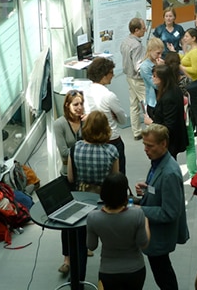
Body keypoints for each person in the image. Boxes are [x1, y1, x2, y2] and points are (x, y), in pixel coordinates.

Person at [67, 110, 120, 284]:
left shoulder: (75, 149)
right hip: (103, 202)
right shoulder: (112, 150)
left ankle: (78, 280)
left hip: (81, 202)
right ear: (105, 129)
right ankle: (106, 282)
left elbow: (70, 178)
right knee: (109, 245)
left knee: (79, 244)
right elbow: (115, 179)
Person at [136, 124, 190, 290]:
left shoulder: (169, 173)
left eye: (150, 146)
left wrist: (140, 210)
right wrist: (147, 190)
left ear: (164, 144)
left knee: (164, 276)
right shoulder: (158, 163)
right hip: (156, 233)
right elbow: (160, 192)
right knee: (163, 272)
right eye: (144, 144)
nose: (145, 149)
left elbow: (170, 212)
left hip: (159, 236)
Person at [86, 172, 150, 290]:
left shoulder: (93, 217)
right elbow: (144, 244)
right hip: (135, 270)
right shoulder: (137, 214)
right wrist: (145, 219)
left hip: (108, 271)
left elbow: (91, 245)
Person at [53, 89, 84, 274]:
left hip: (84, 176)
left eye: (81, 104)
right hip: (67, 176)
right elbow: (63, 153)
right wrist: (83, 151)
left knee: (84, 214)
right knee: (66, 218)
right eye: (75, 104)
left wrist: (74, 154)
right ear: (67, 105)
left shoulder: (85, 122)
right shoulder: (60, 124)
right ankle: (67, 258)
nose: (79, 108)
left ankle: (84, 246)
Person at [85, 57, 128, 175]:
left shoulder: (87, 92)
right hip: (112, 138)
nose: (113, 75)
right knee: (118, 174)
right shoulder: (109, 96)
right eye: (111, 73)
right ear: (103, 75)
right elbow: (123, 119)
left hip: (94, 137)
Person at [143, 64, 189, 159]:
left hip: (169, 141)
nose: (152, 78)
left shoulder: (169, 97)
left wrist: (151, 123)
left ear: (162, 78)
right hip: (172, 139)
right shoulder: (172, 89)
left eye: (155, 76)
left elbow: (169, 125)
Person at [167, 28, 197, 137]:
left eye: (187, 36)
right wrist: (175, 52)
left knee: (195, 106)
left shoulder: (195, 52)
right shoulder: (193, 49)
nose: (185, 38)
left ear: (193, 38)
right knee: (194, 105)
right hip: (193, 81)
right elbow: (185, 58)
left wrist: (180, 67)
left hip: (193, 82)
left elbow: (195, 69)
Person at [120, 17, 147, 140]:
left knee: (133, 105)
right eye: (143, 28)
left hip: (129, 77)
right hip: (138, 79)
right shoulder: (137, 45)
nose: (145, 30)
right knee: (147, 104)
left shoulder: (125, 41)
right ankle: (152, 129)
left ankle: (136, 132)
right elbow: (138, 66)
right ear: (136, 30)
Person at [139, 37, 165, 118]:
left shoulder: (160, 61)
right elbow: (156, 85)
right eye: (158, 53)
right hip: (154, 102)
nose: (160, 56)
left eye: (161, 53)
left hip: (163, 99)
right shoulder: (145, 67)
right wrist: (161, 69)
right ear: (150, 50)